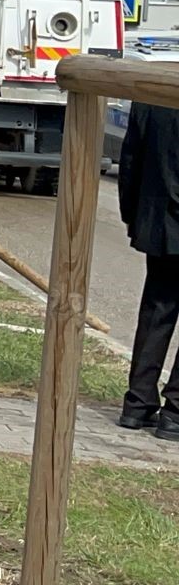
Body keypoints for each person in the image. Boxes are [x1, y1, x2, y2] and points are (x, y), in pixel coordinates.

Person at [117, 101, 179, 440]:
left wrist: (132, 214)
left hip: (159, 222)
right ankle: (175, 412)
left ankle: (137, 405)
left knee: (157, 309)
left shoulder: (152, 92)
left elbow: (131, 159)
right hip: (161, 221)